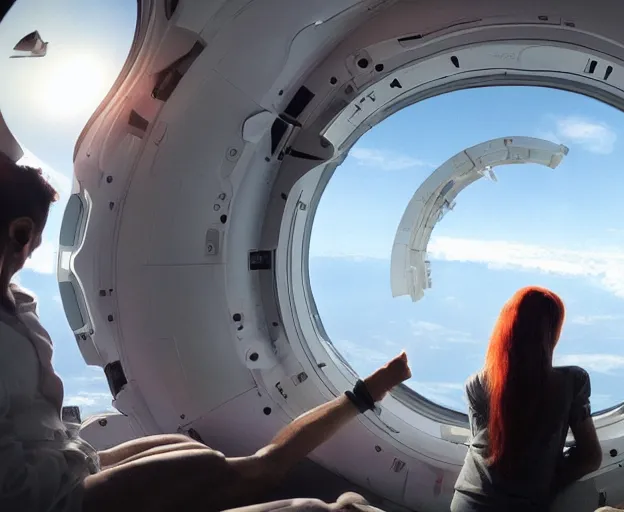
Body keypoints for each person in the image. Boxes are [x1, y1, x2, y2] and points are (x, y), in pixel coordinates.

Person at [0, 150, 410, 512]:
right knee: (247, 474)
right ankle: (358, 429)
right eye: (34, 243)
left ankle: (364, 398)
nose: (33, 252)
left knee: (198, 454)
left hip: (63, 461)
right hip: (47, 499)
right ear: (20, 234)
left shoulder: (18, 305)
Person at [451, 286, 624, 512]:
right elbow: (590, 457)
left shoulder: (476, 385)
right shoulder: (572, 383)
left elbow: (491, 454)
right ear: (552, 333)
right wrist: (545, 476)